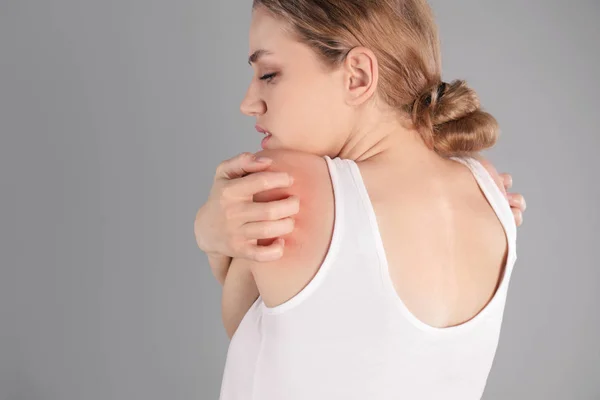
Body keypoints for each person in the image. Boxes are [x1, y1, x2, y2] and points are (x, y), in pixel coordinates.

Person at [194, 1, 527, 399]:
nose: (249, 102)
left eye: (269, 74)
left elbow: (247, 333)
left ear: (357, 76)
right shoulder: (487, 190)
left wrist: (208, 231)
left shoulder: (287, 184)